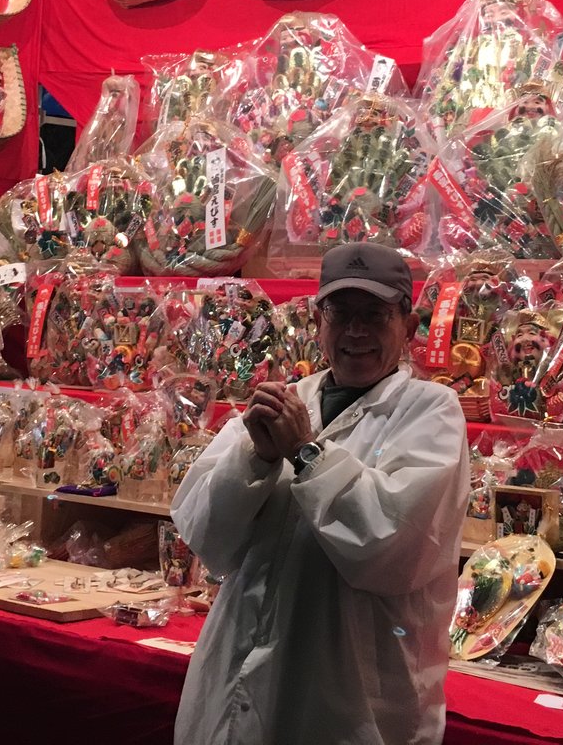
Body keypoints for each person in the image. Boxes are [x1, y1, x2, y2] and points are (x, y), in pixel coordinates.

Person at [171, 242, 469, 745]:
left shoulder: (431, 412)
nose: (355, 331)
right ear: (317, 321)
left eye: (374, 314)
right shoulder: (286, 402)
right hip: (233, 685)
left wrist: (306, 456)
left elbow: (392, 547)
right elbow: (205, 535)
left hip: (350, 704)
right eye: (340, 312)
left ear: (409, 326)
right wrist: (256, 459)